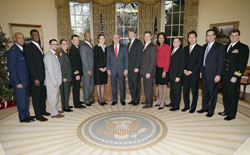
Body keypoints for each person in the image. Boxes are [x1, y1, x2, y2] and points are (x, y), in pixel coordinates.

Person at [220, 29, 249, 121]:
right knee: (225, 94)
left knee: (233, 95)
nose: (233, 37)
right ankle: (226, 110)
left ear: (238, 36)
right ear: (229, 36)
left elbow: (242, 64)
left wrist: (236, 76)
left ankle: (232, 114)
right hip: (225, 75)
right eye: (232, 35)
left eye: (236, 35)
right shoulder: (226, 46)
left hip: (233, 76)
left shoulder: (243, 47)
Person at [7, 32, 34, 123]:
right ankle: (22, 117)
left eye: (22, 38)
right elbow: (11, 68)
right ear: (15, 39)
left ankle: (27, 115)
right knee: (21, 100)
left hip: (25, 80)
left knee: (26, 99)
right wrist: (17, 82)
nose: (22, 39)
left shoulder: (22, 50)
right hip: (19, 82)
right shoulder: (13, 51)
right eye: (19, 38)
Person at [198, 29, 225, 117]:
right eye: (208, 35)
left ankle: (211, 110)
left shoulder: (220, 47)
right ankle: (204, 108)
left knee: (212, 93)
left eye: (211, 35)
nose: (209, 37)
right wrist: (201, 72)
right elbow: (202, 60)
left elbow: (221, 62)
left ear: (214, 36)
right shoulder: (204, 46)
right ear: (206, 37)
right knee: (204, 92)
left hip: (214, 74)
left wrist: (218, 74)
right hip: (204, 73)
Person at [24, 29, 49, 122]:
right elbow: (30, 64)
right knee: (36, 96)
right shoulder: (29, 47)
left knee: (43, 95)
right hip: (36, 78)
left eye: (38, 35)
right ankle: (38, 115)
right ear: (31, 36)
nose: (37, 37)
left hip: (42, 75)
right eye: (34, 35)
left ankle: (43, 110)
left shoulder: (39, 46)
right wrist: (35, 78)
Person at [182, 31, 203, 113]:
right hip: (185, 73)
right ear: (188, 39)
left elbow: (199, 62)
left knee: (194, 92)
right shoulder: (185, 48)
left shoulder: (200, 48)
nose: (191, 39)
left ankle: (193, 107)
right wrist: (184, 70)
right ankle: (186, 106)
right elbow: (183, 61)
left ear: (196, 38)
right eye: (190, 37)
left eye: (193, 37)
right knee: (185, 91)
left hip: (194, 74)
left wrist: (191, 71)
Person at [44, 39, 64, 118]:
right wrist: (54, 81)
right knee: (52, 97)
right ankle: (54, 113)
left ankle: (55, 110)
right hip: (52, 81)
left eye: (56, 44)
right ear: (50, 45)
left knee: (55, 96)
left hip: (55, 80)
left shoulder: (53, 54)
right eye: (53, 44)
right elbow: (50, 70)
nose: (55, 46)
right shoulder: (49, 55)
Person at [107, 33, 128, 106]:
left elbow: (126, 59)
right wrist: (108, 69)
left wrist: (126, 69)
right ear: (112, 39)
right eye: (114, 38)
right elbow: (108, 60)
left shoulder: (124, 47)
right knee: (113, 86)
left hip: (122, 70)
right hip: (112, 70)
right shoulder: (109, 48)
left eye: (117, 37)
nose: (116, 39)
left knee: (122, 85)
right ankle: (115, 100)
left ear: (119, 39)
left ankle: (122, 99)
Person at [140, 31, 157, 109]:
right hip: (144, 71)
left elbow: (153, 61)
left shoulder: (152, 47)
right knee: (146, 87)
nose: (146, 38)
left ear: (151, 37)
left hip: (148, 72)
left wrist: (149, 72)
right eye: (145, 36)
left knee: (149, 88)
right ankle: (147, 100)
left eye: (148, 36)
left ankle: (149, 103)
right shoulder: (145, 46)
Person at [155, 32, 171, 110]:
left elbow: (167, 60)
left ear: (164, 39)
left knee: (164, 85)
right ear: (157, 39)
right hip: (158, 69)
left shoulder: (167, 47)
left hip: (164, 69)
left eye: (162, 37)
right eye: (159, 37)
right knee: (159, 85)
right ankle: (160, 100)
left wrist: (165, 71)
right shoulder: (157, 47)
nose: (161, 39)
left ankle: (162, 102)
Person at [127, 28, 143, 106]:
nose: (130, 35)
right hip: (129, 69)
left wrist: (137, 67)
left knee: (136, 85)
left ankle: (136, 100)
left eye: (132, 33)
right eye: (129, 33)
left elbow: (140, 56)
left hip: (135, 68)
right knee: (131, 85)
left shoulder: (138, 43)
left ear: (135, 34)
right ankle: (133, 99)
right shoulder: (129, 43)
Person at [69, 35, 85, 109]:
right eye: (75, 40)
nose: (77, 41)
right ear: (72, 41)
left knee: (78, 87)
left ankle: (77, 100)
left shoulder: (77, 48)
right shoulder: (72, 49)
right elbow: (73, 63)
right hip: (76, 73)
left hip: (79, 72)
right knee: (76, 88)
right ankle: (76, 104)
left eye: (78, 40)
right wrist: (77, 74)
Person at [169, 37, 185, 111]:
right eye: (174, 42)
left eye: (177, 41)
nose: (175, 43)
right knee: (172, 90)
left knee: (177, 91)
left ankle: (176, 106)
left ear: (180, 43)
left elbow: (182, 65)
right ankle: (172, 102)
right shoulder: (172, 51)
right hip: (171, 75)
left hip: (177, 76)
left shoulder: (181, 52)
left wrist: (178, 76)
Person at [57, 39, 73, 112]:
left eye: (66, 44)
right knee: (65, 92)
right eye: (63, 44)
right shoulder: (61, 54)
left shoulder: (65, 52)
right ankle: (65, 107)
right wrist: (64, 77)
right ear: (60, 45)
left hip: (68, 75)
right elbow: (61, 66)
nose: (66, 45)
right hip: (65, 76)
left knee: (66, 92)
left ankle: (65, 105)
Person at [80, 32, 94, 107]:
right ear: (84, 37)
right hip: (87, 70)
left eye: (89, 35)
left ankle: (90, 98)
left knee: (91, 85)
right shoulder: (83, 46)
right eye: (87, 36)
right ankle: (86, 100)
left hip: (92, 69)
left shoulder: (91, 45)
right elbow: (84, 59)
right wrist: (88, 70)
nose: (88, 37)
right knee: (86, 85)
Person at [94, 34, 108, 106]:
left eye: (103, 38)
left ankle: (103, 99)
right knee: (98, 85)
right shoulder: (96, 47)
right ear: (98, 40)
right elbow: (95, 59)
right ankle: (99, 100)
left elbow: (107, 59)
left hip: (104, 69)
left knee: (102, 84)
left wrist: (106, 67)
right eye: (100, 39)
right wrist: (100, 68)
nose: (102, 40)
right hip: (98, 69)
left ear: (105, 39)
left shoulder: (106, 48)